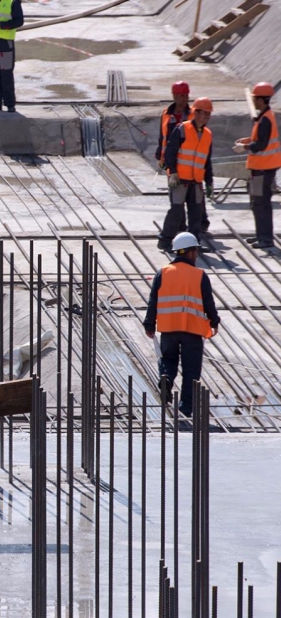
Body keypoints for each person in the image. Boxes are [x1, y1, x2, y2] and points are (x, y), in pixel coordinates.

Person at [143, 232, 220, 418]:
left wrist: (149, 324)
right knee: (191, 370)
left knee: (168, 360)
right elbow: (208, 302)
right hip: (192, 331)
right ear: (191, 252)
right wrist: (214, 321)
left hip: (168, 329)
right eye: (196, 251)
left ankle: (166, 380)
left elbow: (153, 300)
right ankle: (186, 408)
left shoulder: (163, 273)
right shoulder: (199, 275)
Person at [159, 97, 214, 253]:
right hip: (180, 180)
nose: (207, 117)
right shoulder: (182, 129)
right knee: (176, 212)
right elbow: (170, 152)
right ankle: (165, 240)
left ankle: (193, 243)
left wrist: (209, 182)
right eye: (204, 114)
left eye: (209, 114)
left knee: (196, 214)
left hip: (196, 181)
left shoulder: (208, 134)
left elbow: (207, 161)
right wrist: (173, 173)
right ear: (195, 113)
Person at [234, 82, 281, 250]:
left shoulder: (265, 120)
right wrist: (247, 140)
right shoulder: (264, 117)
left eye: (255, 98)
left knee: (261, 204)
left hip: (263, 169)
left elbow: (261, 144)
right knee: (256, 203)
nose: (253, 101)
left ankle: (266, 239)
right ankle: (261, 235)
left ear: (262, 100)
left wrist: (245, 147)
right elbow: (259, 138)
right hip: (260, 168)